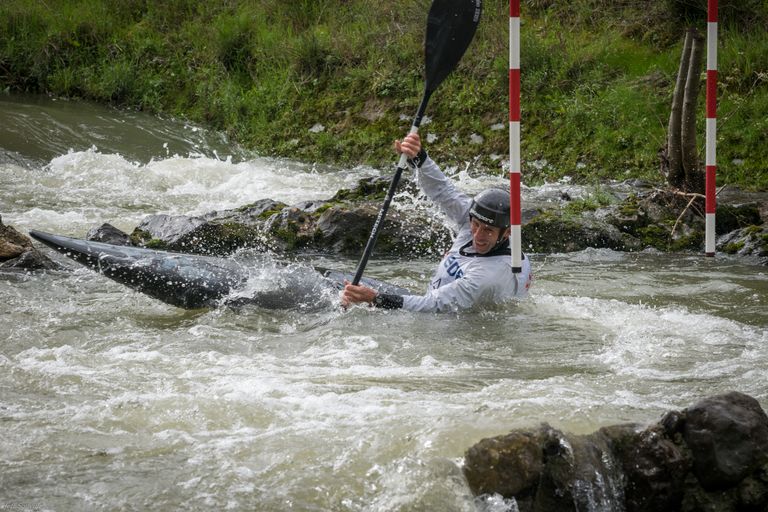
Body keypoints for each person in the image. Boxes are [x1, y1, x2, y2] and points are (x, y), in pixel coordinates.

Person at [341, 132, 532, 312]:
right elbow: (443, 191)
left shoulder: (488, 277)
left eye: (488, 230)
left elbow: (433, 305)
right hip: (434, 304)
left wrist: (376, 299)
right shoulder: (474, 216)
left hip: (457, 327)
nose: (477, 235)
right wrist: (419, 157)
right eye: (475, 225)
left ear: (507, 233)